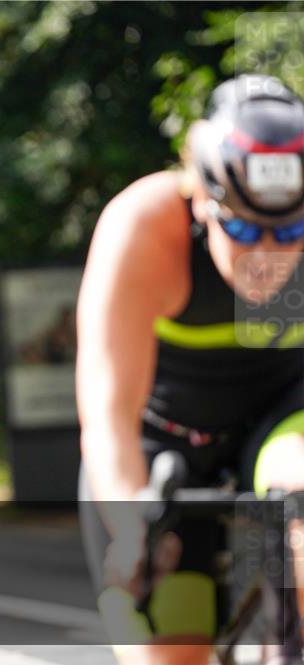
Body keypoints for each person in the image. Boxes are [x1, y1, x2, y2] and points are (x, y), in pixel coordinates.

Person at [76, 74, 304, 665]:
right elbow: (108, 413)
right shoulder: (145, 226)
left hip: (283, 418)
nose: (267, 255)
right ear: (203, 198)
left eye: (291, 230)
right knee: (172, 643)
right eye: (243, 228)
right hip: (165, 443)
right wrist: (132, 530)